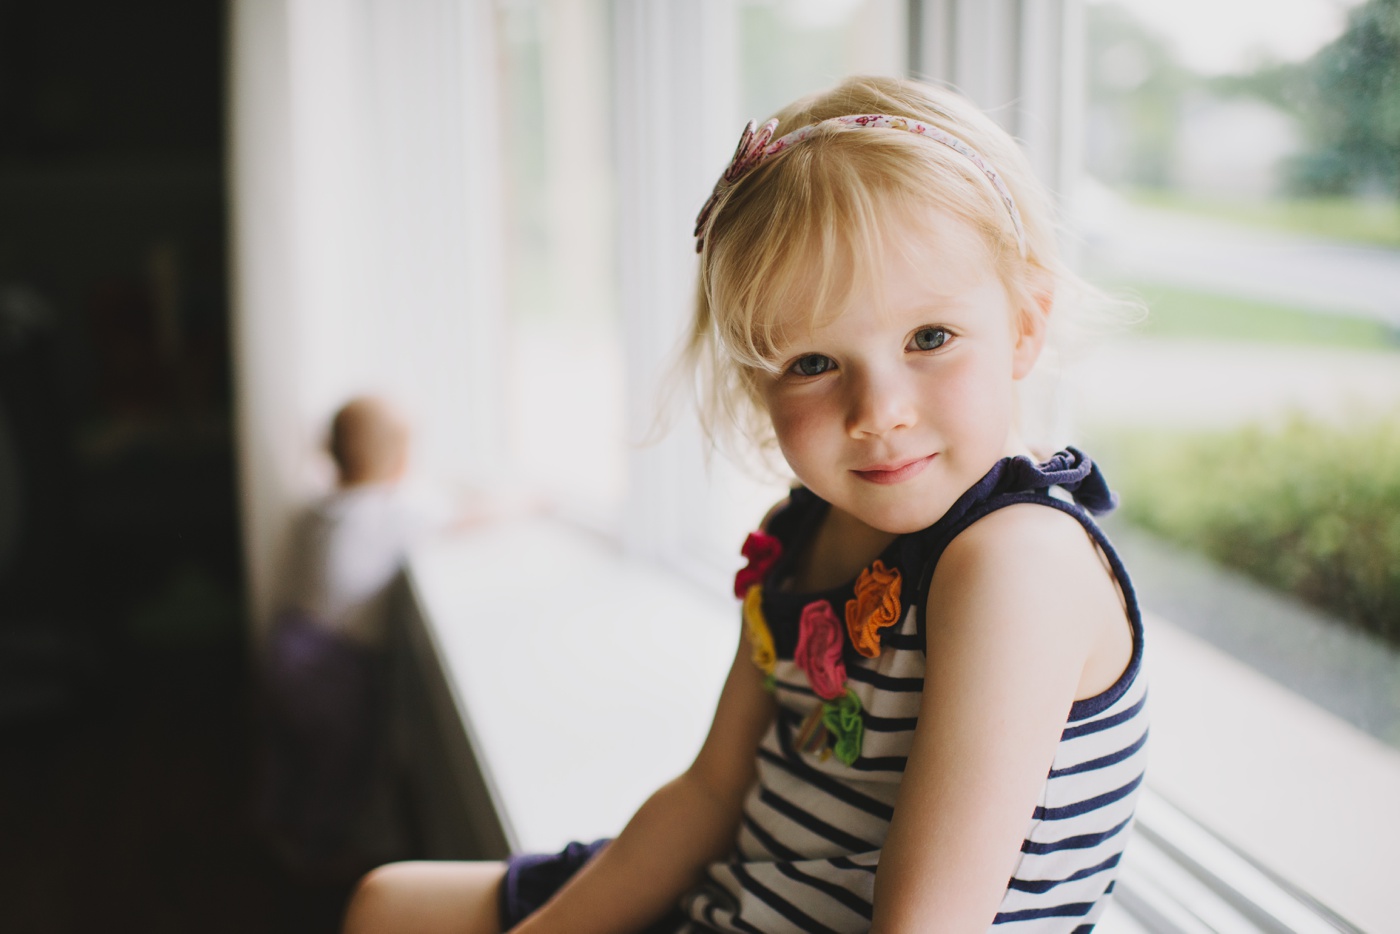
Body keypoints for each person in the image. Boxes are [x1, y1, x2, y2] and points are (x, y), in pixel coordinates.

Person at [342, 75, 1147, 933]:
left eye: (929, 338)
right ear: (756, 382)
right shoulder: (796, 535)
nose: (879, 413)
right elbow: (712, 791)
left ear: (1025, 325)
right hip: (744, 892)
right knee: (386, 905)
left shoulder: (1015, 560)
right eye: (811, 363)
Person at [257, 395, 445, 877]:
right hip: (335, 665)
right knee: (342, 762)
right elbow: (457, 518)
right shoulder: (387, 513)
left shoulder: (315, 510)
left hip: (286, 643)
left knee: (291, 750)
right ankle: (320, 851)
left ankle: (279, 828)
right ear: (399, 462)